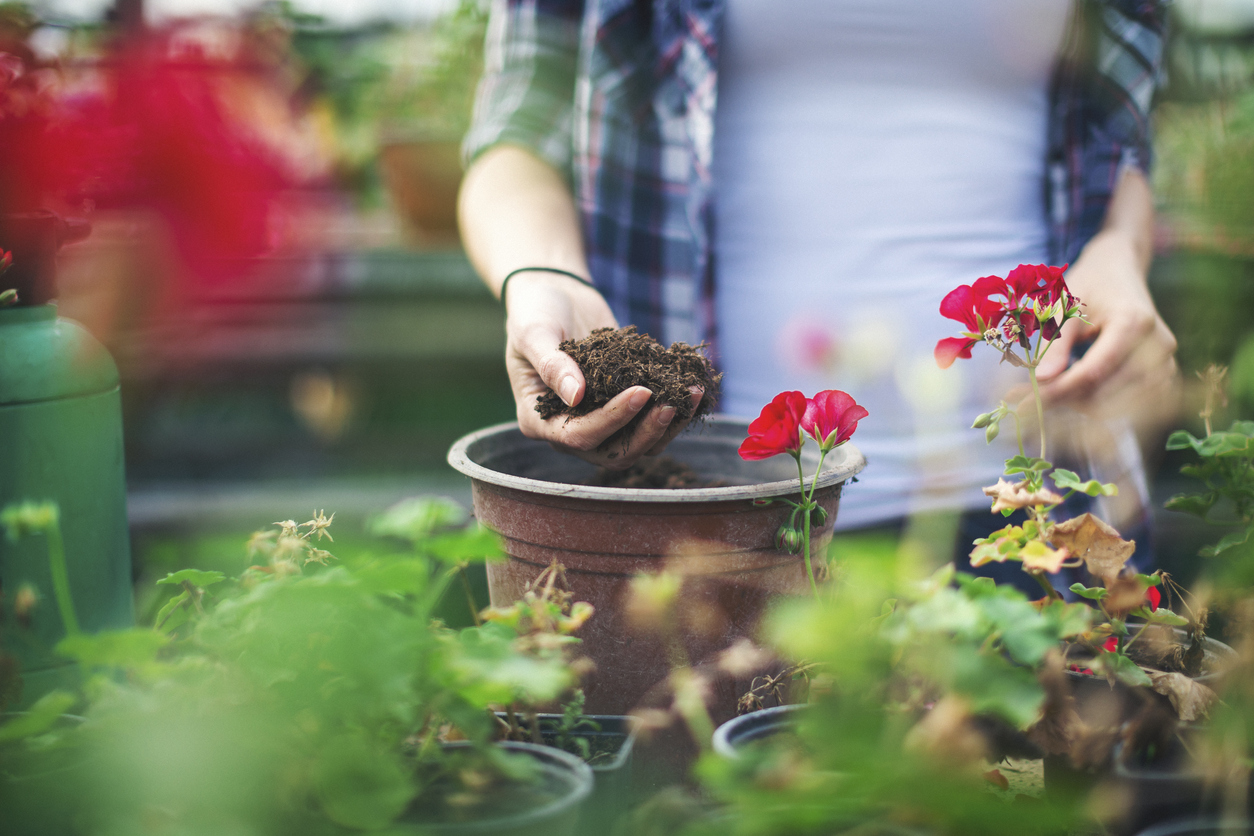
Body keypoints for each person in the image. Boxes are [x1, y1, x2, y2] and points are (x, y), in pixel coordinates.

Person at [456, 0, 1178, 557]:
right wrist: (541, 272)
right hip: (709, 521)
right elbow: (518, 129)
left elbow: (1118, 144)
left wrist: (1119, 249)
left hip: (1046, 510)